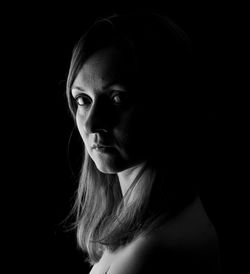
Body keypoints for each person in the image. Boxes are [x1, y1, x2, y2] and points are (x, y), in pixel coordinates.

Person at [65, 12, 221, 273]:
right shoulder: (146, 223)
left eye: (117, 98)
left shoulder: (150, 253)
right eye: (83, 100)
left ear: (167, 101)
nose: (92, 124)